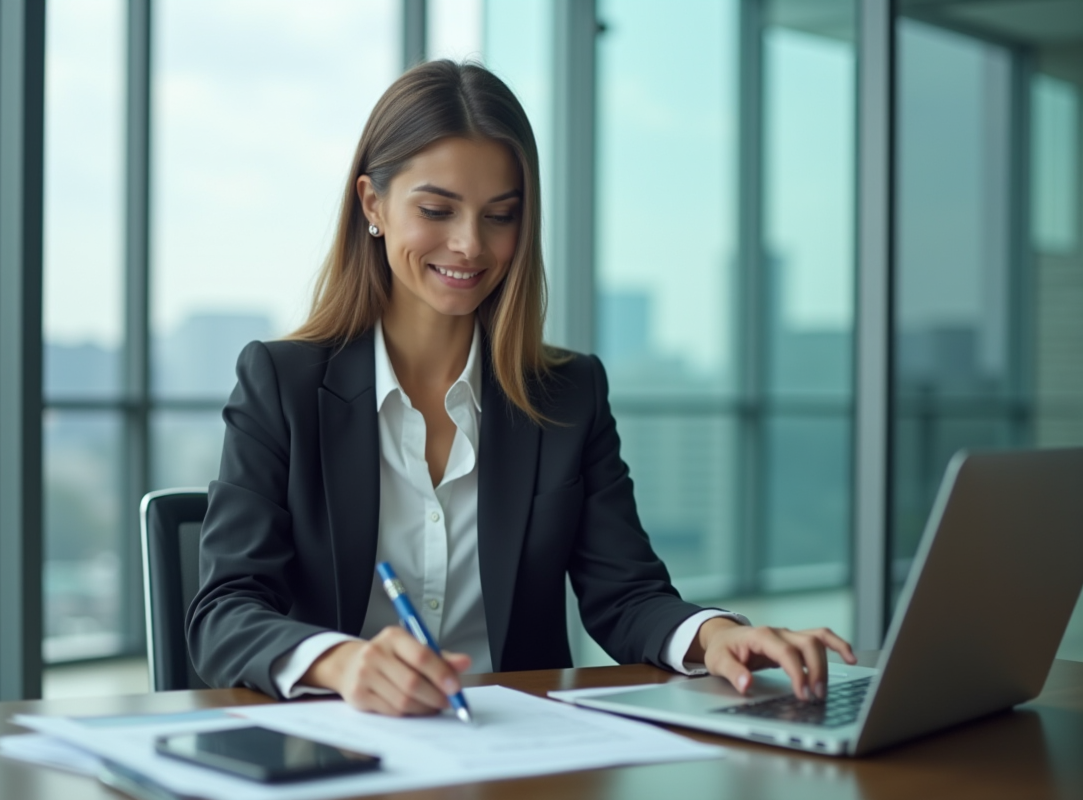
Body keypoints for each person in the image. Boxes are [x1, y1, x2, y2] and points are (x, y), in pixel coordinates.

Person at [186, 60, 855, 718]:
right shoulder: (283, 384)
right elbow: (224, 612)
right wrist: (343, 662)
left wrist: (716, 636)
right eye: (437, 210)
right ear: (372, 204)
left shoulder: (567, 395)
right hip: (339, 744)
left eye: (500, 215)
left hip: (520, 748)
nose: (470, 245)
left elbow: (626, 595)